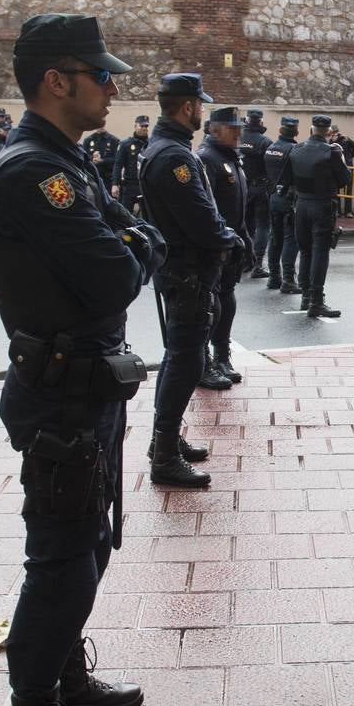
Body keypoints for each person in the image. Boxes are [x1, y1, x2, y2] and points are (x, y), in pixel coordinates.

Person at [0, 12, 165, 706]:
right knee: (61, 565)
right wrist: (139, 242)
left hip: (87, 386)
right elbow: (118, 272)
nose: (113, 86)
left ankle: (68, 681)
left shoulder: (65, 161)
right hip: (62, 396)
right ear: (59, 80)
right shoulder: (36, 173)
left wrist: (131, 237)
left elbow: (125, 240)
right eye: (101, 73)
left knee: (87, 544)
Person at [139, 73, 241, 488]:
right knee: (186, 361)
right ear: (187, 108)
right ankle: (164, 456)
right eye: (199, 105)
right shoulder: (176, 158)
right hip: (189, 273)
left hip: (181, 272)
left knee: (178, 358)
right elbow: (202, 220)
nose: (201, 110)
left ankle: (165, 440)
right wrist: (229, 238)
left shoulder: (163, 148)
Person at [199, 107, 252, 384]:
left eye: (239, 129)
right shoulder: (207, 158)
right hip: (217, 244)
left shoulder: (232, 158)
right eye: (232, 129)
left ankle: (222, 355)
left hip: (233, 242)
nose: (238, 134)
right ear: (214, 130)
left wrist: (246, 239)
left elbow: (238, 206)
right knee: (212, 304)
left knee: (227, 301)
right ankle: (205, 361)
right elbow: (208, 208)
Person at [280, 113, 351, 317]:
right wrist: (342, 158)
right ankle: (316, 301)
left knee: (306, 251)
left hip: (301, 205)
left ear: (311, 130)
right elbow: (344, 179)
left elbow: (287, 179)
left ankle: (306, 297)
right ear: (328, 132)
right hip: (322, 206)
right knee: (320, 252)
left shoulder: (296, 149)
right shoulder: (330, 152)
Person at [264, 116, 301, 292]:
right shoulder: (295, 150)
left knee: (275, 238)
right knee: (290, 239)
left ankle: (273, 277)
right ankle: (288, 280)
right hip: (289, 199)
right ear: (296, 132)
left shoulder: (270, 148)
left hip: (273, 197)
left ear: (280, 131)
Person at [239, 108, 273, 278]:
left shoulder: (238, 138)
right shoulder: (264, 142)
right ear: (260, 122)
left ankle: (246, 260)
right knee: (263, 225)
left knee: (246, 224)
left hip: (243, 188)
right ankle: (258, 263)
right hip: (260, 187)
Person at [111, 115, 149, 215]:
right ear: (135, 126)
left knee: (147, 215)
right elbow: (118, 164)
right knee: (125, 215)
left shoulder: (151, 144)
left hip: (145, 185)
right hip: (130, 185)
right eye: (141, 126)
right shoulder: (126, 144)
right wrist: (115, 184)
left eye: (146, 126)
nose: (144, 128)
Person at [327, 124, 354, 217]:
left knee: (348, 191)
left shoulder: (345, 140)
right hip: (335, 169)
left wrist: (348, 139)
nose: (334, 136)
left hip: (347, 168)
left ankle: (348, 211)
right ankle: (337, 211)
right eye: (332, 134)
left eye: (335, 133)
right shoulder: (330, 142)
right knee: (335, 190)